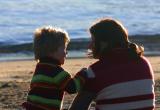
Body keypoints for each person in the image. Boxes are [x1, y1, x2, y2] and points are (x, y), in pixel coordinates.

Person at [69, 18, 155, 110]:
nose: (90, 46)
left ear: (104, 43)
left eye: (93, 41)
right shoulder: (144, 63)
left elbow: (78, 108)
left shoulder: (96, 70)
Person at [22, 26, 86, 110]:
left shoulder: (40, 68)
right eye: (64, 49)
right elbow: (72, 87)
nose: (66, 53)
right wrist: (83, 75)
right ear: (52, 51)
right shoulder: (55, 71)